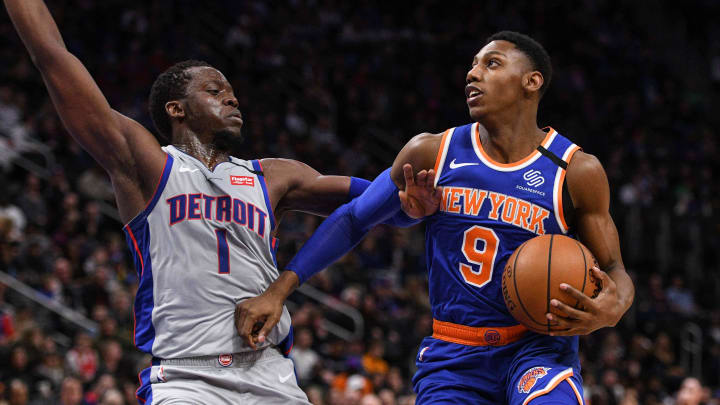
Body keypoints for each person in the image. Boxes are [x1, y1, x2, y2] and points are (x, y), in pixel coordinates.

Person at [4, 1, 432, 403]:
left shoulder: (274, 175)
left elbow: (385, 204)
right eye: (214, 90)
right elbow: (52, 55)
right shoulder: (147, 164)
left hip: (269, 373)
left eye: (231, 92)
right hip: (186, 379)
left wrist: (412, 202)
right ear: (176, 109)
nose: (232, 97)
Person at [238, 31, 635, 404]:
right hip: (454, 354)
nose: (473, 73)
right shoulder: (430, 152)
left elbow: (615, 268)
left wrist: (612, 308)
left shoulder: (574, 170)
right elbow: (354, 218)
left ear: (531, 82)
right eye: (473, 65)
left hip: (537, 349)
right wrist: (278, 291)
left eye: (492, 64)